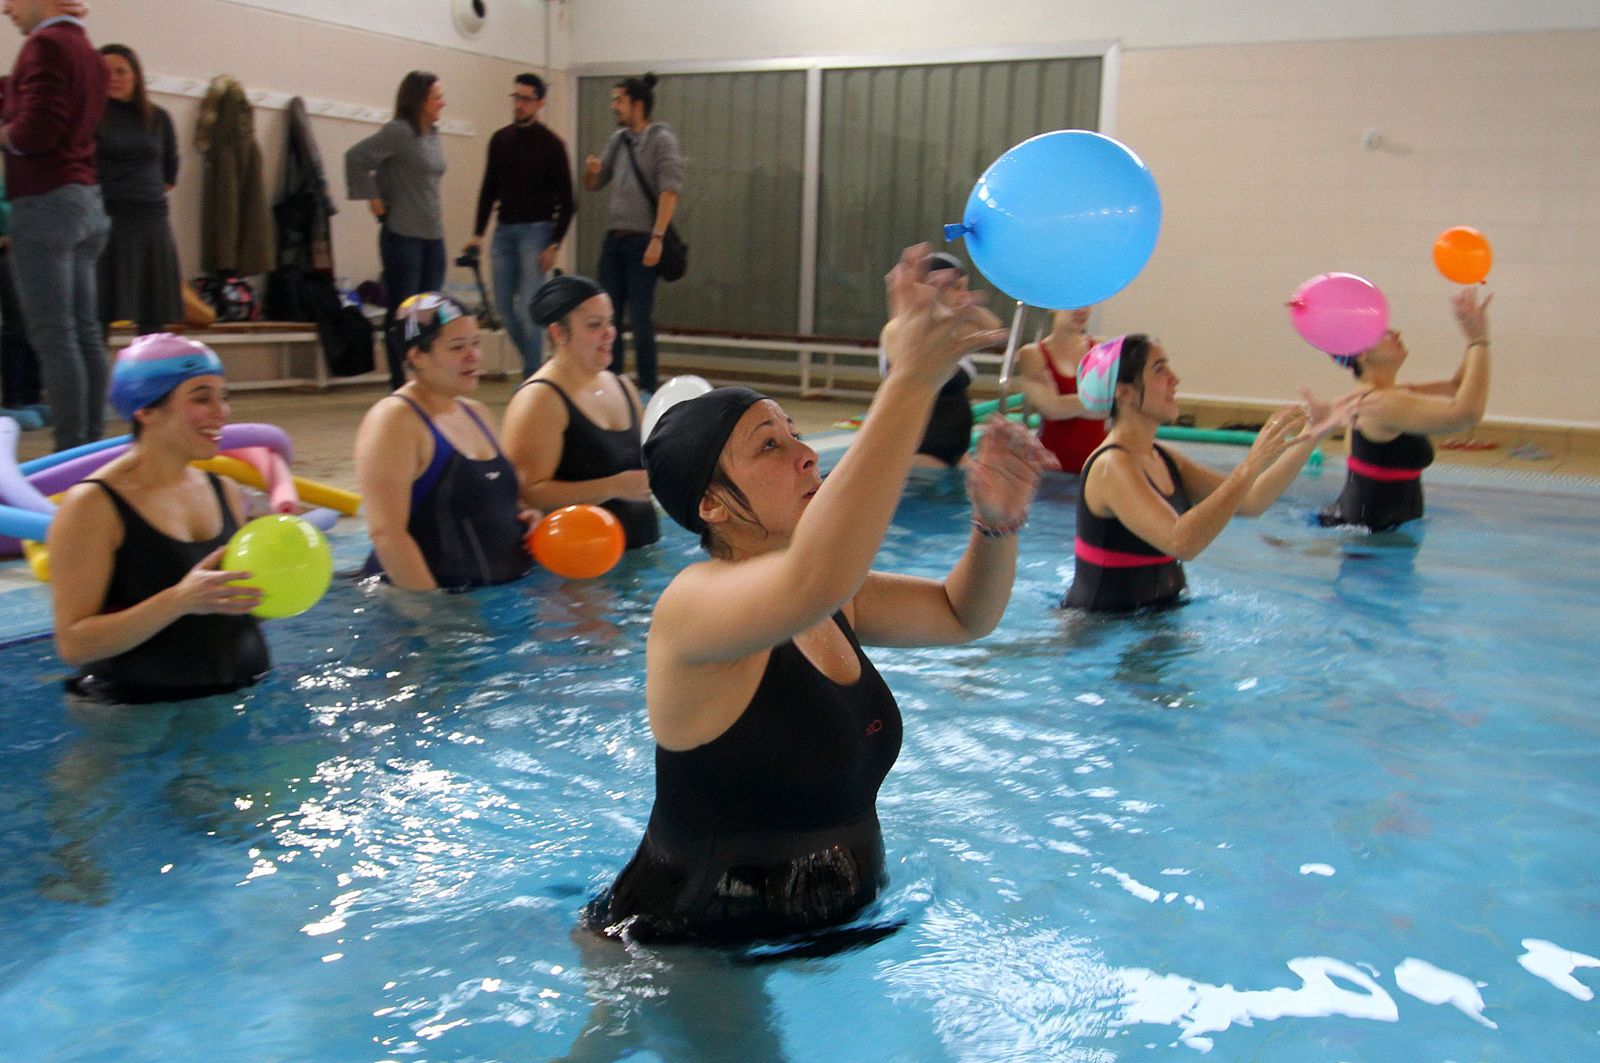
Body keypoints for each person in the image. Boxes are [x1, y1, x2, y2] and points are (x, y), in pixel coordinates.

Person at [579, 246, 1053, 944]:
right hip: (687, 946)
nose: (806, 454)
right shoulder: (692, 606)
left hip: (827, 931)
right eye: (769, 446)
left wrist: (996, 522)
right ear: (712, 503)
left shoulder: (834, 596)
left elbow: (962, 615)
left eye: (796, 434)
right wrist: (910, 380)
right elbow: (815, 577)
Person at [47, 333, 270, 703]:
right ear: (146, 410)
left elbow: (233, 609)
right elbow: (74, 644)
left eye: (224, 396)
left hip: (240, 700)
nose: (222, 412)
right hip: (134, 712)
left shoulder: (224, 489)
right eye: (201, 398)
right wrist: (178, 601)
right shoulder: (93, 505)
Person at [1065, 334, 1350, 612]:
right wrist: (1251, 464)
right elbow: (1181, 542)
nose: (1175, 379)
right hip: (1101, 631)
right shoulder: (1110, 466)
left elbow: (1250, 501)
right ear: (1124, 392)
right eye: (1159, 369)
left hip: (1150, 620)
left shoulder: (1161, 456)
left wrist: (1312, 434)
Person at [354, 293, 533, 591]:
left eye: (475, 343)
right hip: (427, 602)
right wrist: (433, 611)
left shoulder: (477, 413)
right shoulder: (395, 420)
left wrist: (526, 516)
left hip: (496, 598)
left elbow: (493, 496)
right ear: (416, 356)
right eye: (457, 347)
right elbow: (386, 534)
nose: (473, 355)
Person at [0, 0, 111, 451]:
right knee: (84, 333)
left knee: (54, 336)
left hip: (45, 203)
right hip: (85, 202)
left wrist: (5, 134)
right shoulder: (89, 52)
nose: (6, 9)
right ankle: (91, 449)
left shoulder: (44, 44)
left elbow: (37, 130)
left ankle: (68, 452)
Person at [502, 274, 658, 550]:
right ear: (558, 333)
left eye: (610, 322)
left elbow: (647, 461)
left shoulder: (621, 384)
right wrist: (613, 486)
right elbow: (525, 493)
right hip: (579, 564)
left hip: (641, 554)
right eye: (594, 325)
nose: (609, 333)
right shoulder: (540, 398)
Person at [1319, 288, 1492, 532]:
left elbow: (1456, 387)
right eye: (1384, 333)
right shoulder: (1380, 405)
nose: (1396, 332)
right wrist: (1479, 341)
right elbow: (1467, 414)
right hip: (1364, 538)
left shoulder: (1389, 396)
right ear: (1362, 353)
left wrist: (1472, 334)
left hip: (1378, 532)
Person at [464, 73, 574, 377]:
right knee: (502, 307)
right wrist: (477, 233)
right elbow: (488, 189)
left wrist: (554, 243)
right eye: (517, 97)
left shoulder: (552, 145)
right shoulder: (500, 140)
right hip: (504, 231)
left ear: (539, 103)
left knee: (529, 309)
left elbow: (568, 201)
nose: (519, 104)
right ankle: (537, 368)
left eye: (526, 99)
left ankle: (531, 376)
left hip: (536, 232)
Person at [582, 72, 684, 395]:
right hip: (614, 239)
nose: (614, 106)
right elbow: (594, 184)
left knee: (640, 317)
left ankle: (648, 387)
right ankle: (609, 383)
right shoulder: (619, 140)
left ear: (637, 105)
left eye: (619, 100)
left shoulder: (661, 140)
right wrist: (591, 172)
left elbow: (669, 192)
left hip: (643, 240)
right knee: (608, 316)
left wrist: (657, 238)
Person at [345, 71, 447, 390]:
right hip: (403, 235)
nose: (442, 103)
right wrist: (373, 198)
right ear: (420, 100)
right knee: (404, 311)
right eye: (436, 97)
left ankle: (423, 377)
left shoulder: (432, 134)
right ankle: (399, 381)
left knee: (428, 313)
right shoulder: (399, 132)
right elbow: (356, 158)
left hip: (433, 235)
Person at [878, 251, 1000, 468]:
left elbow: (995, 328)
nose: (964, 294)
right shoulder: (901, 332)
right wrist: (913, 294)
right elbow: (907, 362)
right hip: (919, 454)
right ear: (931, 288)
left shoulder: (954, 333)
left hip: (956, 454)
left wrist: (966, 305)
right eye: (957, 287)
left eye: (966, 287)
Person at [94, 43, 181, 337]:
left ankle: (151, 366)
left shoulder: (158, 117)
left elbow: (170, 173)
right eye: (106, 72)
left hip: (150, 219)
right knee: (98, 310)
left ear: (136, 75)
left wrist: (140, 193)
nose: (114, 78)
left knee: (153, 312)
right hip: (104, 217)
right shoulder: (89, 116)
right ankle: (97, 369)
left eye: (121, 71)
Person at [1014, 305, 1108, 475]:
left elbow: (1115, 405)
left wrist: (1063, 402)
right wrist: (1097, 399)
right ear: (1052, 306)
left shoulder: (1102, 348)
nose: (1082, 310)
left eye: (1087, 302)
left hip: (1097, 467)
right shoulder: (1032, 354)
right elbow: (1053, 410)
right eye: (1073, 303)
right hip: (1052, 469)